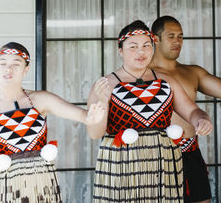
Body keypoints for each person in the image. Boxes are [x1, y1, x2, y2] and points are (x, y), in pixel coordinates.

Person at [0, 42, 105, 203]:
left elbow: (82, 116)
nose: (8, 69)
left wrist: (91, 116)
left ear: (26, 70)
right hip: (8, 186)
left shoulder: (40, 99)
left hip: (42, 183)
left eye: (16, 64)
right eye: (3, 64)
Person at [87, 20, 213, 202]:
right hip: (123, 164)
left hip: (162, 163)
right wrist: (102, 101)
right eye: (133, 46)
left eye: (147, 45)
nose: (141, 51)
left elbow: (192, 111)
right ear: (120, 50)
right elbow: (94, 132)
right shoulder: (107, 84)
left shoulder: (165, 80)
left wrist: (201, 119)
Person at [150, 15, 221, 203]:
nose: (177, 41)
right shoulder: (143, 74)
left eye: (180, 36)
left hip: (191, 152)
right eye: (171, 36)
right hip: (157, 155)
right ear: (155, 38)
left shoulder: (192, 72)